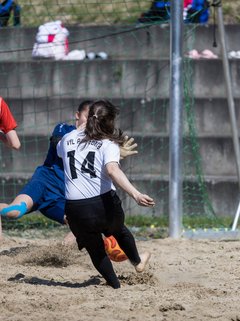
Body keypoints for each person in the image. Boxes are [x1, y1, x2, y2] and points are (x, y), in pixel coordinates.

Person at [0, 100, 138, 242]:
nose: (91, 121)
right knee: (14, 212)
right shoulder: (63, 129)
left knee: (83, 223)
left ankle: (60, 253)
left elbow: (101, 168)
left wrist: (115, 155)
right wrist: (80, 133)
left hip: (65, 194)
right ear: (77, 115)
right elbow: (59, 144)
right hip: (45, 182)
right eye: (88, 116)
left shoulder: (99, 143)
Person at [57, 99, 155, 289]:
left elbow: (69, 151)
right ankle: (137, 261)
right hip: (102, 205)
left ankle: (115, 286)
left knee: (95, 250)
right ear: (109, 122)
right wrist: (136, 194)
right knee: (119, 231)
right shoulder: (108, 143)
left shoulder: (66, 139)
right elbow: (111, 170)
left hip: (74, 209)